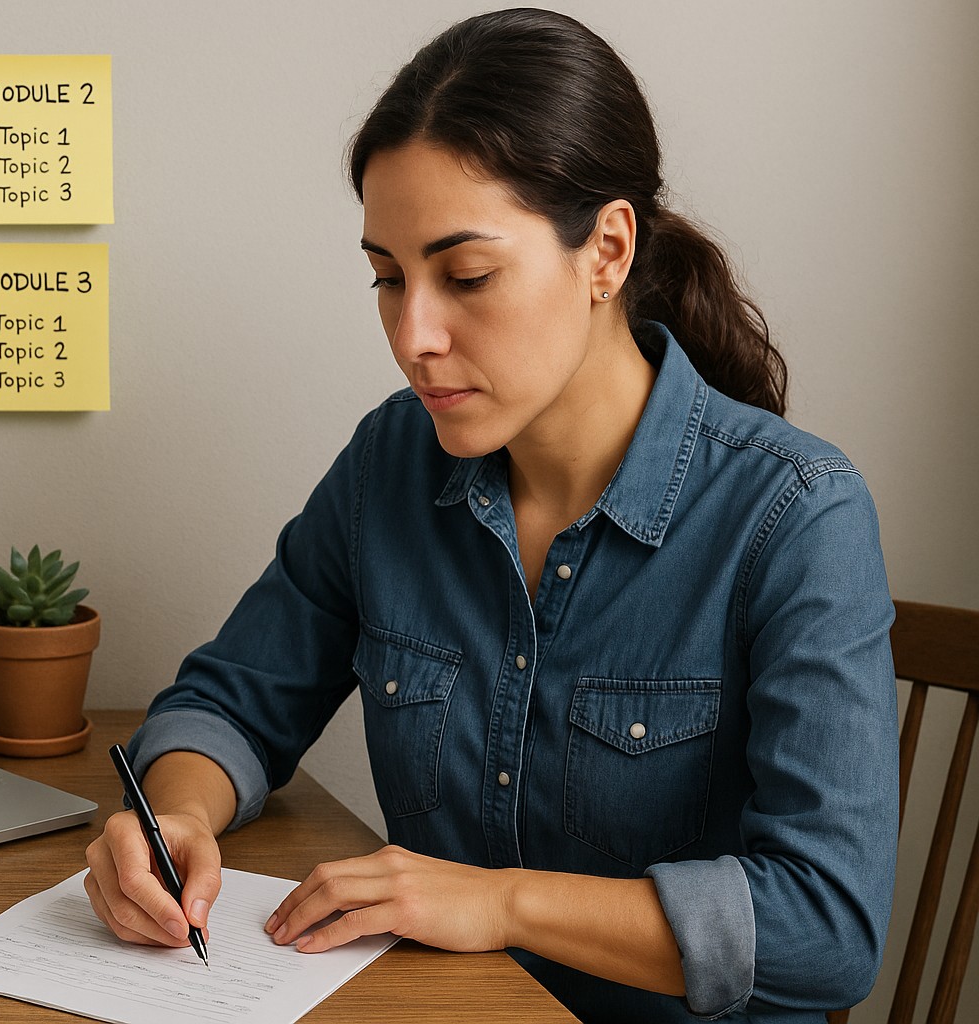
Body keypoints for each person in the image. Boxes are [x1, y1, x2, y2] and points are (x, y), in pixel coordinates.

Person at [83, 8, 898, 1022]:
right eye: (388, 278)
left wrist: (500, 902)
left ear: (607, 252)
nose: (413, 335)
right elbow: (235, 700)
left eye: (466, 276)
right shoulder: (391, 462)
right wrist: (173, 818)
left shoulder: (797, 516)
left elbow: (828, 928)